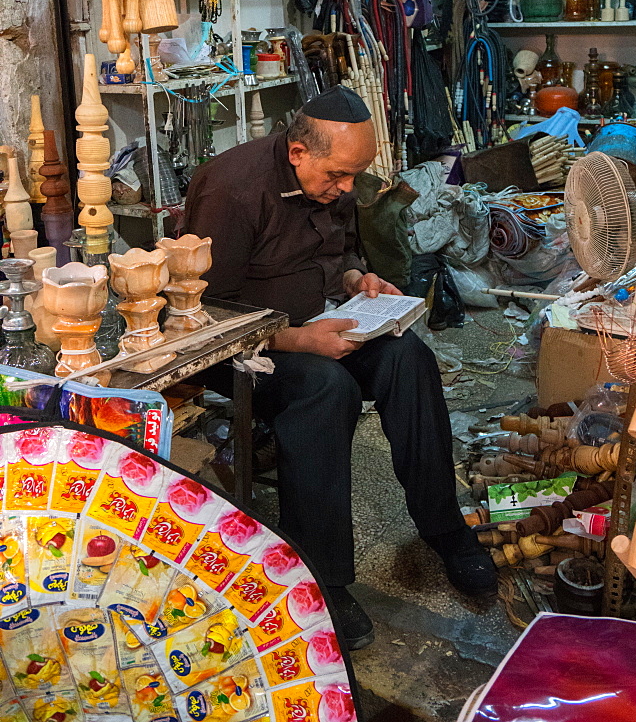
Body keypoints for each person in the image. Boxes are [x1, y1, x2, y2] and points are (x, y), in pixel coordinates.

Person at [184, 85, 496, 649]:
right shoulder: (232, 189)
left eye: (356, 175)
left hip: (311, 325)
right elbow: (201, 310)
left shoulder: (335, 178)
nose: (349, 188)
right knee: (327, 390)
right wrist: (299, 339)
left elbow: (342, 254)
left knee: (409, 358)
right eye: (339, 176)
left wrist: (360, 281)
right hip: (235, 347)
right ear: (298, 152)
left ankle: (446, 530)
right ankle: (323, 580)